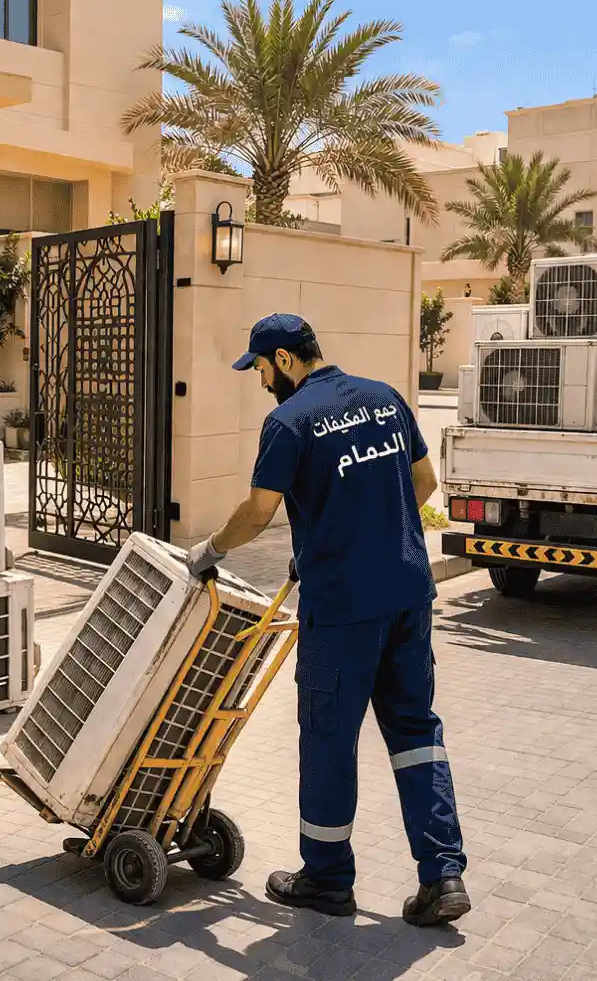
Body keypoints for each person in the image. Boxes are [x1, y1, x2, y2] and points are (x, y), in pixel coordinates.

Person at [186, 313, 470, 927]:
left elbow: (257, 513)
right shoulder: (385, 397)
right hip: (407, 594)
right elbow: (423, 482)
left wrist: (209, 551)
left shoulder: (288, 421)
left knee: (328, 738)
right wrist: (361, 533)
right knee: (416, 732)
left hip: (342, 609)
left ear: (286, 360)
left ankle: (326, 878)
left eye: (262, 368)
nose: (262, 380)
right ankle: (444, 874)